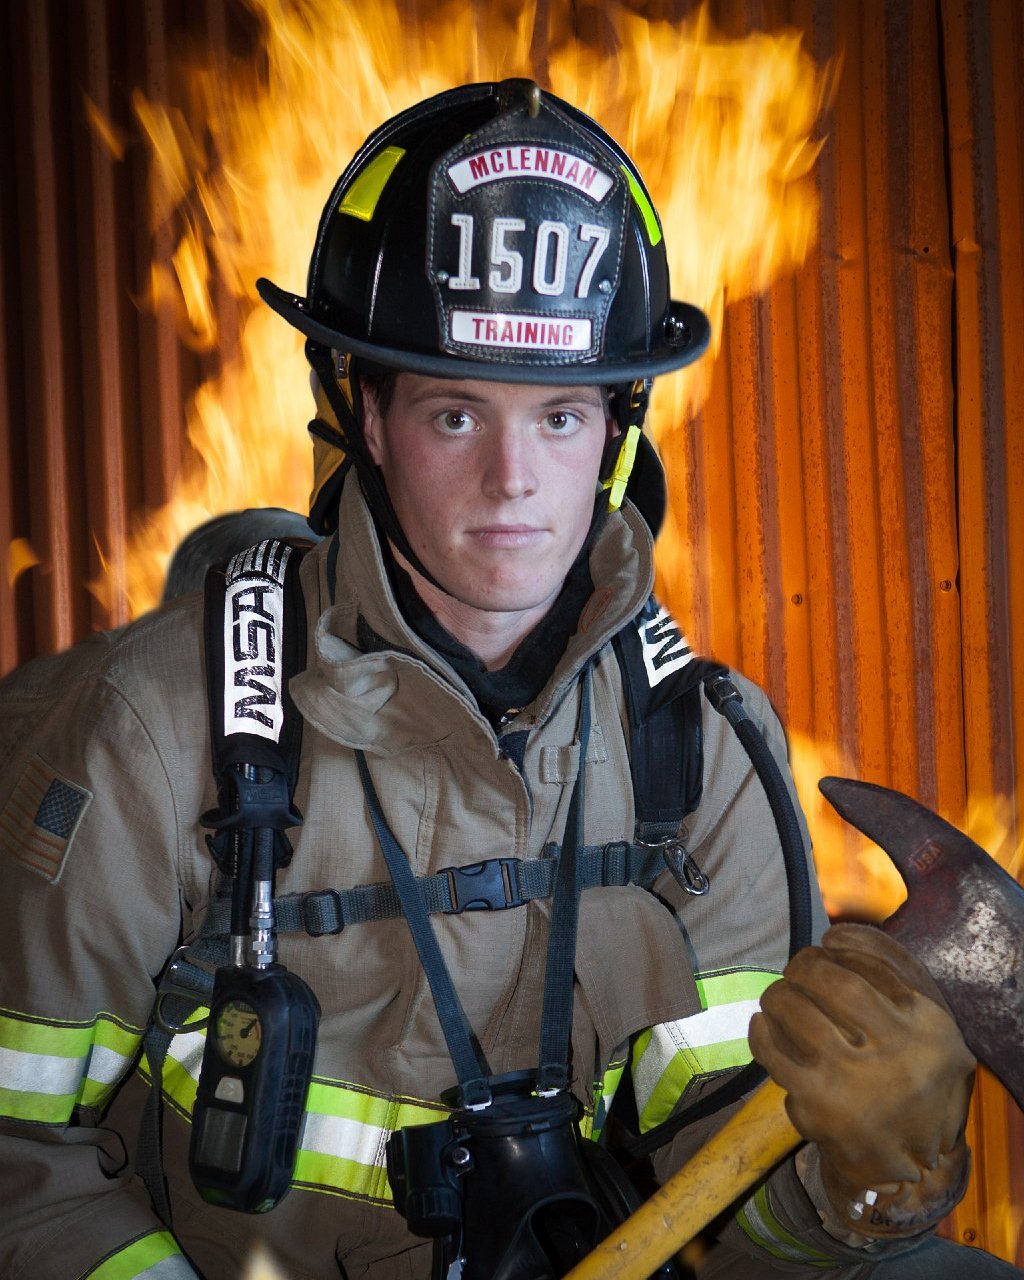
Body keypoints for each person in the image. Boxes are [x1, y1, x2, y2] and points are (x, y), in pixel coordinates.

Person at [0, 79, 1013, 1280]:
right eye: (454, 415)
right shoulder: (164, 729)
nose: (514, 480)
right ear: (365, 417)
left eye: (560, 417)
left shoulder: (697, 752)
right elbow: (20, 1163)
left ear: (617, 435)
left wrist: (860, 1179)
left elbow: (737, 1237)